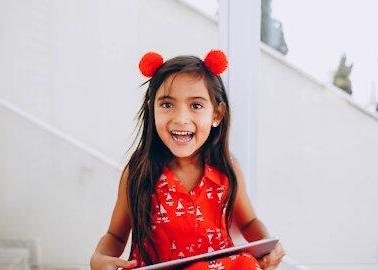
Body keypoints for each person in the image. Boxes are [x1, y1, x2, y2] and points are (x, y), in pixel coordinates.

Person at [90, 50, 286, 269]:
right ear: (151, 110)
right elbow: (116, 236)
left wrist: (267, 247)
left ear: (216, 115)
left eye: (196, 106)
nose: (181, 118)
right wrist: (99, 258)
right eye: (166, 104)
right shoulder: (138, 172)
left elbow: (249, 222)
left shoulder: (227, 169)